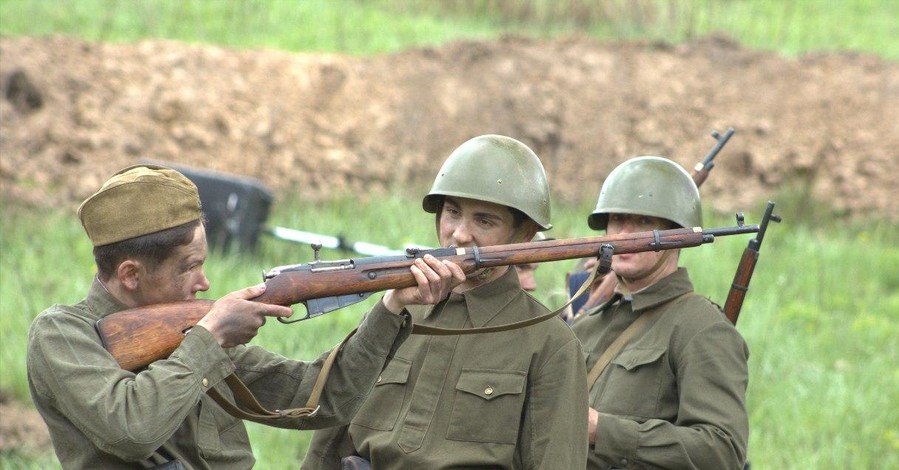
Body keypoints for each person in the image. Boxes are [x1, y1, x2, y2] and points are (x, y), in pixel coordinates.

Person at [26, 165, 414, 469]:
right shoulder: (62, 333)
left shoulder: (189, 330)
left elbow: (320, 399)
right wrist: (208, 339)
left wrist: (391, 306)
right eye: (188, 268)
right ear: (130, 274)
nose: (204, 282)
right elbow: (132, 430)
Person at [302, 134, 589, 469]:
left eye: (485, 220)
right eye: (452, 212)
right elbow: (328, 437)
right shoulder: (395, 314)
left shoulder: (549, 343)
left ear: (523, 235)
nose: (460, 234)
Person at [571, 156, 749, 469]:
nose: (624, 235)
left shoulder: (701, 328)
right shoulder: (588, 322)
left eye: (642, 222)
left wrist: (603, 431)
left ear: (678, 233)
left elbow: (723, 450)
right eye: (616, 220)